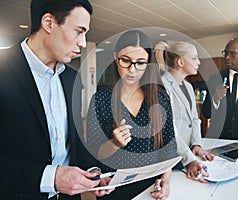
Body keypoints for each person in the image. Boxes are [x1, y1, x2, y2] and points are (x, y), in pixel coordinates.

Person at [0, 0, 115, 199]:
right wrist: (50, 178)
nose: (83, 43)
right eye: (79, 31)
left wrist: (94, 172)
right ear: (49, 23)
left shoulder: (71, 78)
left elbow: (74, 142)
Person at [86, 30, 195, 200]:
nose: (132, 70)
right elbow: (94, 152)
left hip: (151, 188)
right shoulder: (100, 99)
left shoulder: (160, 97)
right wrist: (114, 143)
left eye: (140, 63)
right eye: (125, 60)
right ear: (116, 57)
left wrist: (166, 181)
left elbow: (168, 147)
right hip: (114, 188)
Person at [154, 41, 213, 182]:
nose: (198, 62)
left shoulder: (188, 86)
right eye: (194, 58)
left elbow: (194, 119)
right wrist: (190, 159)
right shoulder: (162, 86)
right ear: (180, 61)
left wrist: (197, 145)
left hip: (187, 153)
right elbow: (169, 127)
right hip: (171, 157)